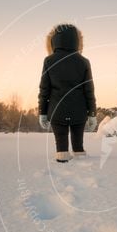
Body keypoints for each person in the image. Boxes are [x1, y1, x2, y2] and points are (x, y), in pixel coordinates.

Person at [38, 24, 97, 162]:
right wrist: (92, 113)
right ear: (77, 40)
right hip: (79, 111)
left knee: (61, 145)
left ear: (53, 40)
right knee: (78, 145)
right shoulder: (84, 62)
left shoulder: (48, 61)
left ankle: (62, 157)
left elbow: (44, 90)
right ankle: (80, 160)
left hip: (56, 111)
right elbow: (89, 90)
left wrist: (42, 112)